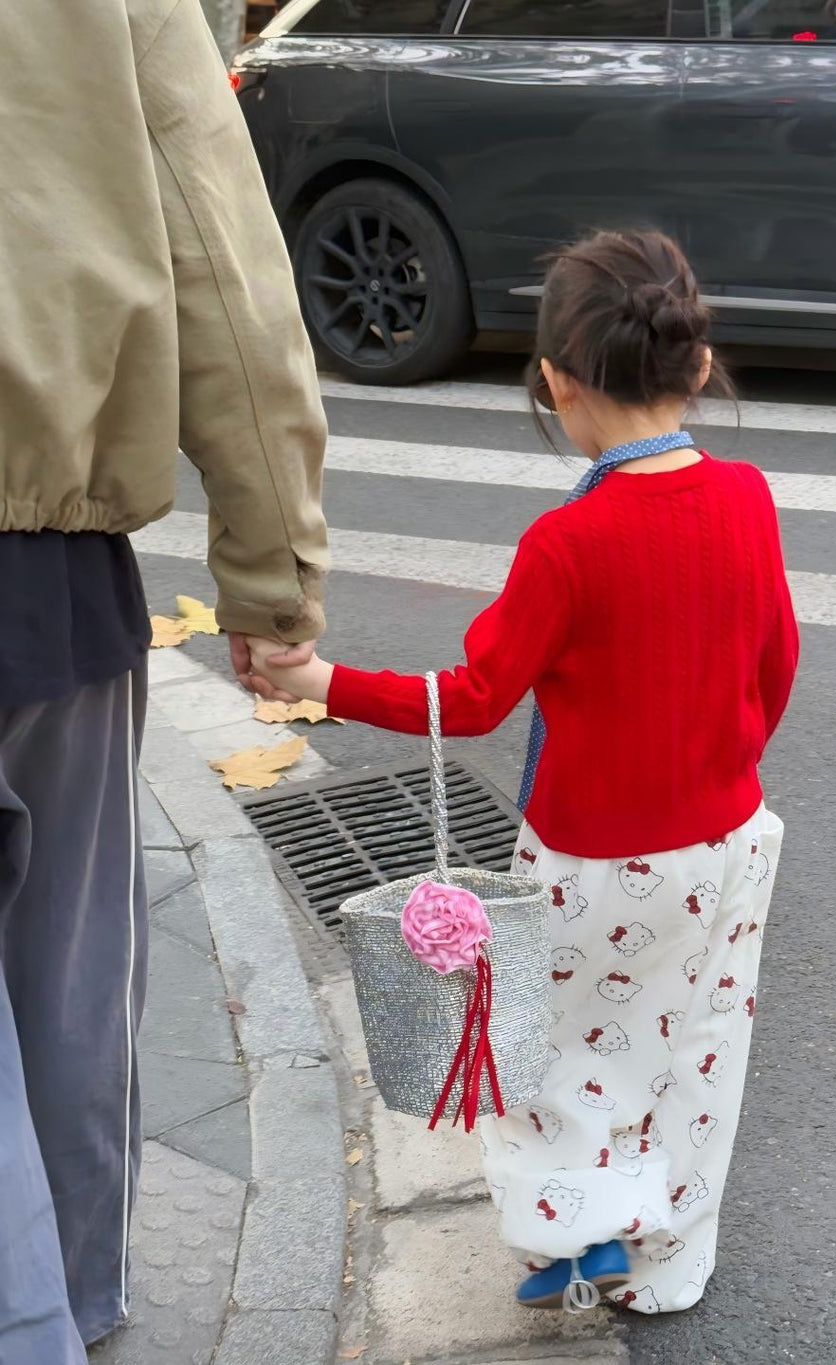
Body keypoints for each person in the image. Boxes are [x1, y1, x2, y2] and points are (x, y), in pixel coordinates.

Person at [247, 229, 799, 1316]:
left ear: (553, 378)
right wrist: (718, 767)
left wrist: (317, 679)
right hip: (726, 846)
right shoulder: (746, 496)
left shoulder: (568, 542)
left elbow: (473, 698)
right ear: (695, 365)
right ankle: (663, 1260)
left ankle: (572, 1236)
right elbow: (774, 664)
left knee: (559, 1056)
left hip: (592, 864)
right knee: (691, 1049)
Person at [0, 2, 328, 1359]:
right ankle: (70, 1303)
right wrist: (270, 574)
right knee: (70, 975)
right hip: (47, 563)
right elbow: (224, 257)